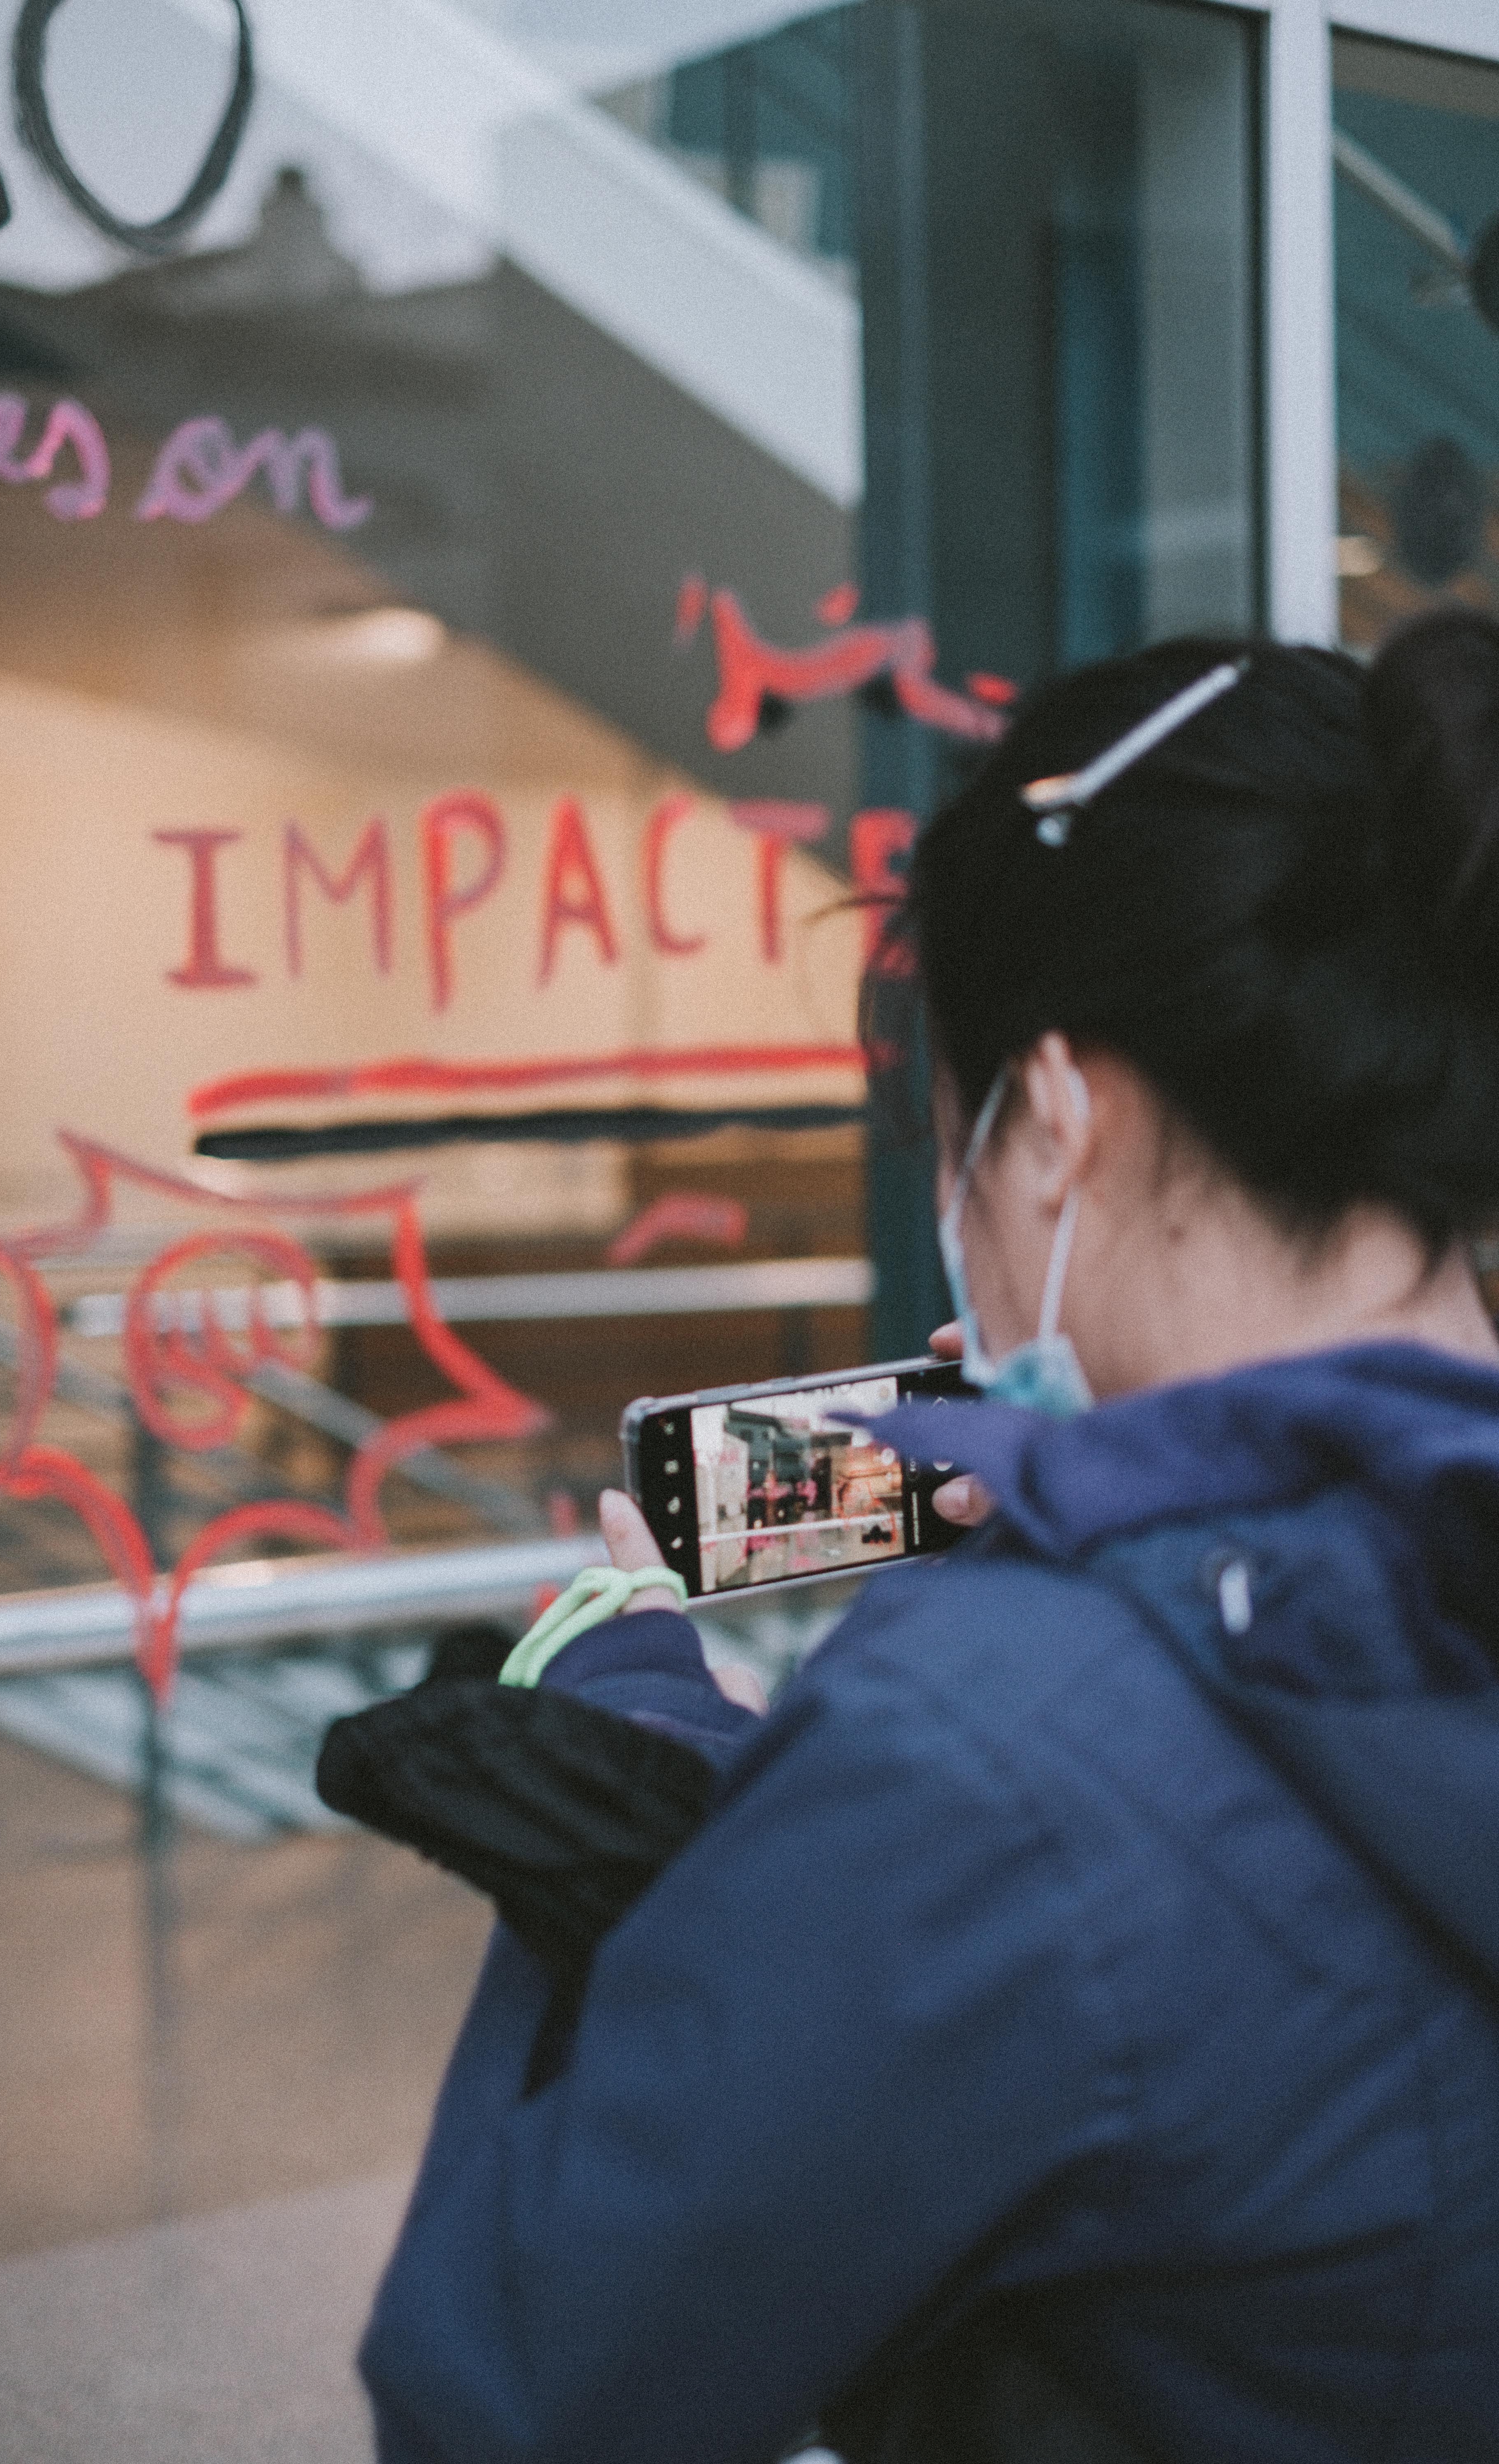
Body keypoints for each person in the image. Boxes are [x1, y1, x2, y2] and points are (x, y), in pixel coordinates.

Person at [352, 612, 1499, 2462]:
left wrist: (624, 1732)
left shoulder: (990, 1740)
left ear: (1055, 1119)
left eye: (948, 1144)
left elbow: (511, 2391)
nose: (963, 1226)